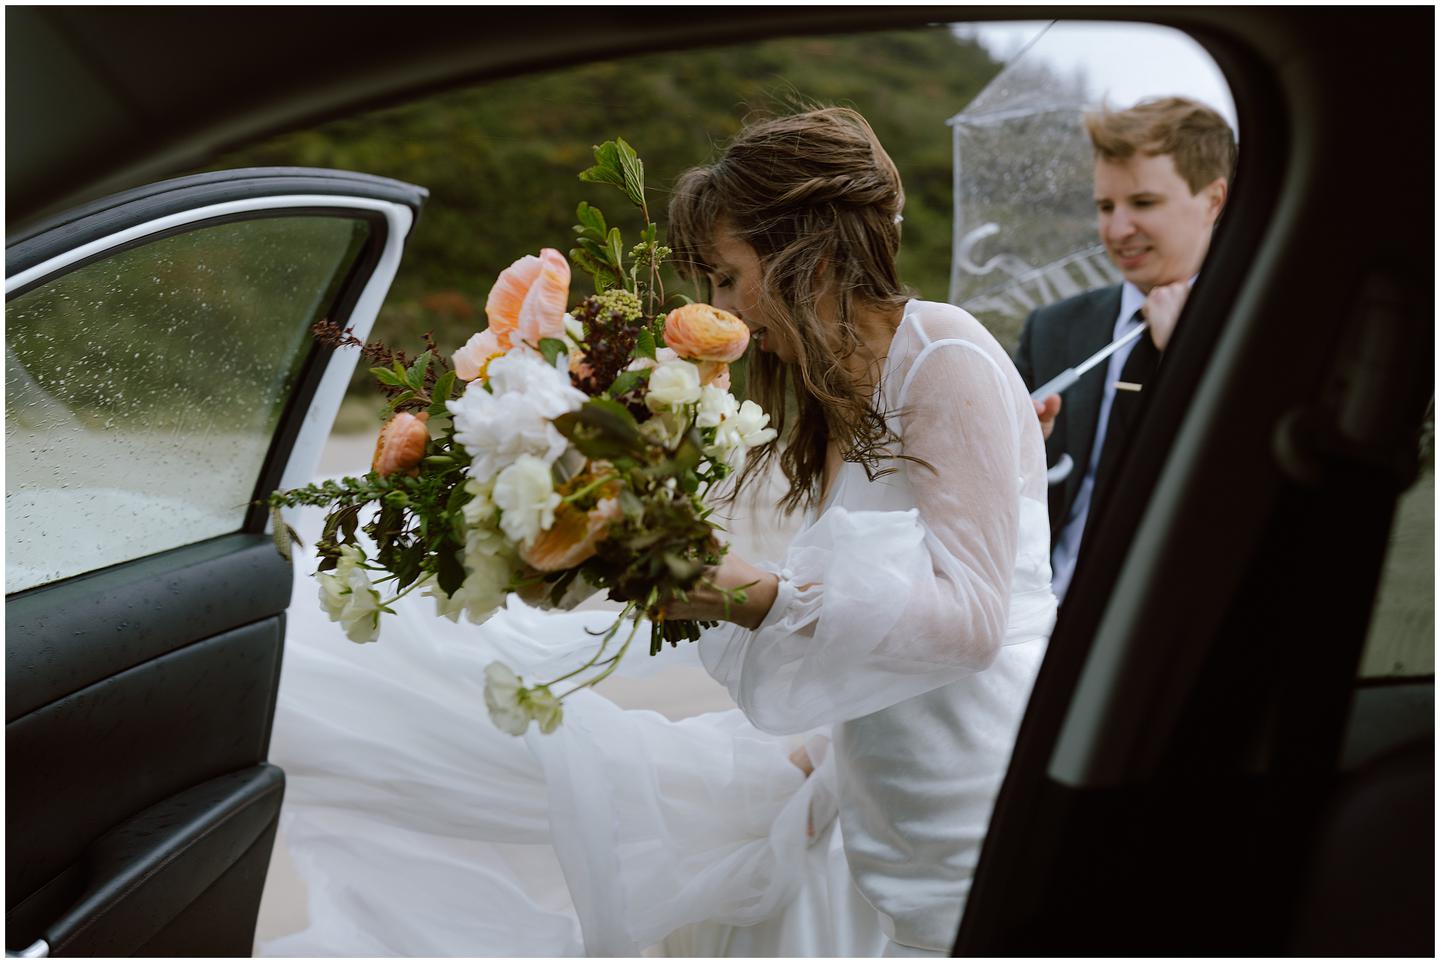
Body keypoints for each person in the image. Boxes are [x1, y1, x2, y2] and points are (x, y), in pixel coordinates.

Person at [260, 107, 1055, 958]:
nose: (719, 309)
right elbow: (885, 610)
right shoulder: (834, 397)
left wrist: (754, 597)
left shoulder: (947, 355)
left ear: (810, 258)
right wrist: (821, 746)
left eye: (727, 276)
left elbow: (969, 619)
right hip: (883, 784)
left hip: (976, 776)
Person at [1015, 96, 1235, 603]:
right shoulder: (1052, 328)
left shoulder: (1252, 329)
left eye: (1143, 203)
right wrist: (1018, 444)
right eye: (1105, 206)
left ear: (1213, 200)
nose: (1117, 231)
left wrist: (1188, 356)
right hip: (1034, 612)